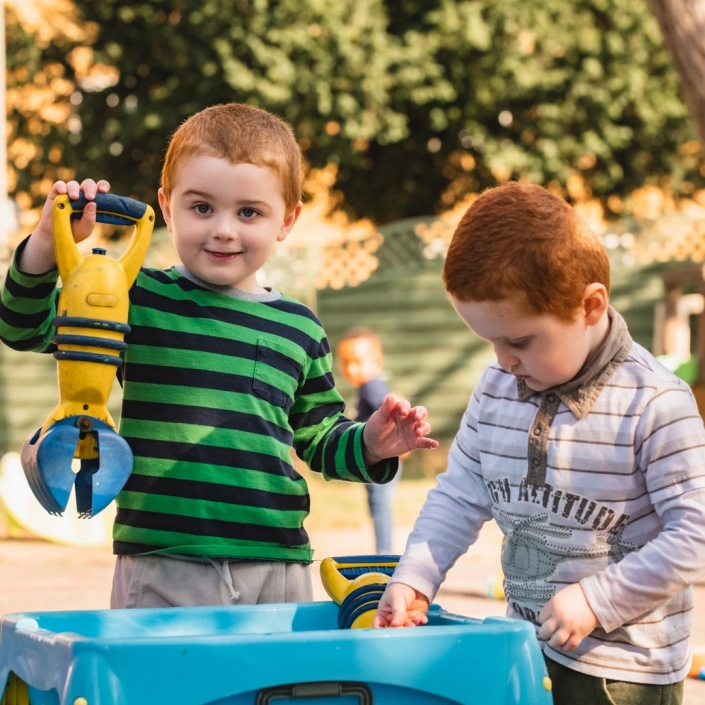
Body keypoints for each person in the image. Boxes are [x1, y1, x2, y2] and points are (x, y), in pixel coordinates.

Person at [0, 102, 438, 610]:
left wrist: (373, 444)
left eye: (248, 212)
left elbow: (319, 438)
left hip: (276, 565)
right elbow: (22, 327)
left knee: (270, 691)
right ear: (166, 208)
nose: (223, 229)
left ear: (287, 220)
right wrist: (43, 248)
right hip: (160, 561)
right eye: (202, 208)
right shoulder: (135, 295)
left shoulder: (299, 326)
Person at [373, 181, 705, 705]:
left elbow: (696, 535)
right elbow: (460, 495)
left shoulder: (656, 404)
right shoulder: (497, 387)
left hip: (622, 674)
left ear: (590, 306)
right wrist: (415, 578)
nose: (504, 360)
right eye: (490, 342)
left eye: (520, 341)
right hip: (528, 649)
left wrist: (599, 600)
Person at [336, 327, 403, 554]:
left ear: (377, 361)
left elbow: (392, 407)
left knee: (380, 506)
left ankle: (384, 554)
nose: (352, 368)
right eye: (346, 362)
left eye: (358, 361)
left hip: (380, 458)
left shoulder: (372, 387)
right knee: (379, 505)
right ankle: (384, 551)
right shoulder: (368, 387)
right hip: (380, 458)